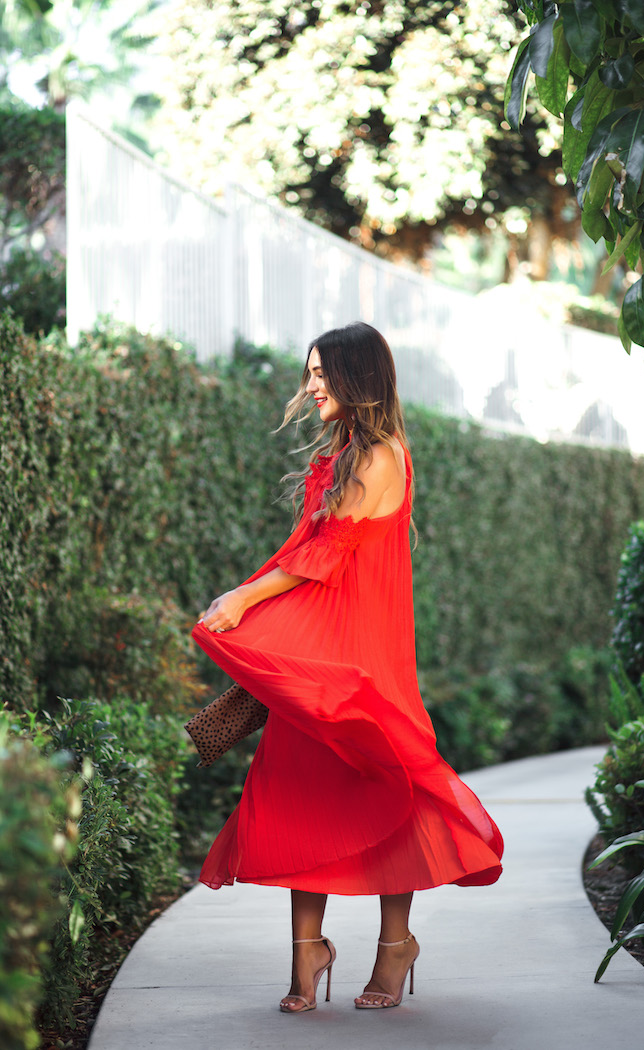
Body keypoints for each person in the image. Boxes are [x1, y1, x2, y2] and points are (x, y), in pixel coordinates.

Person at [192, 321, 503, 1013]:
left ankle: (396, 947)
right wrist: (250, 610)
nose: (309, 386)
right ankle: (308, 955)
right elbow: (298, 550)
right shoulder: (338, 457)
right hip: (322, 652)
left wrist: (246, 598)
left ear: (356, 378)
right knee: (305, 790)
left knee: (390, 788)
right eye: (309, 373)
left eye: (320, 374)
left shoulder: (383, 456)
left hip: (367, 656)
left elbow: (322, 560)